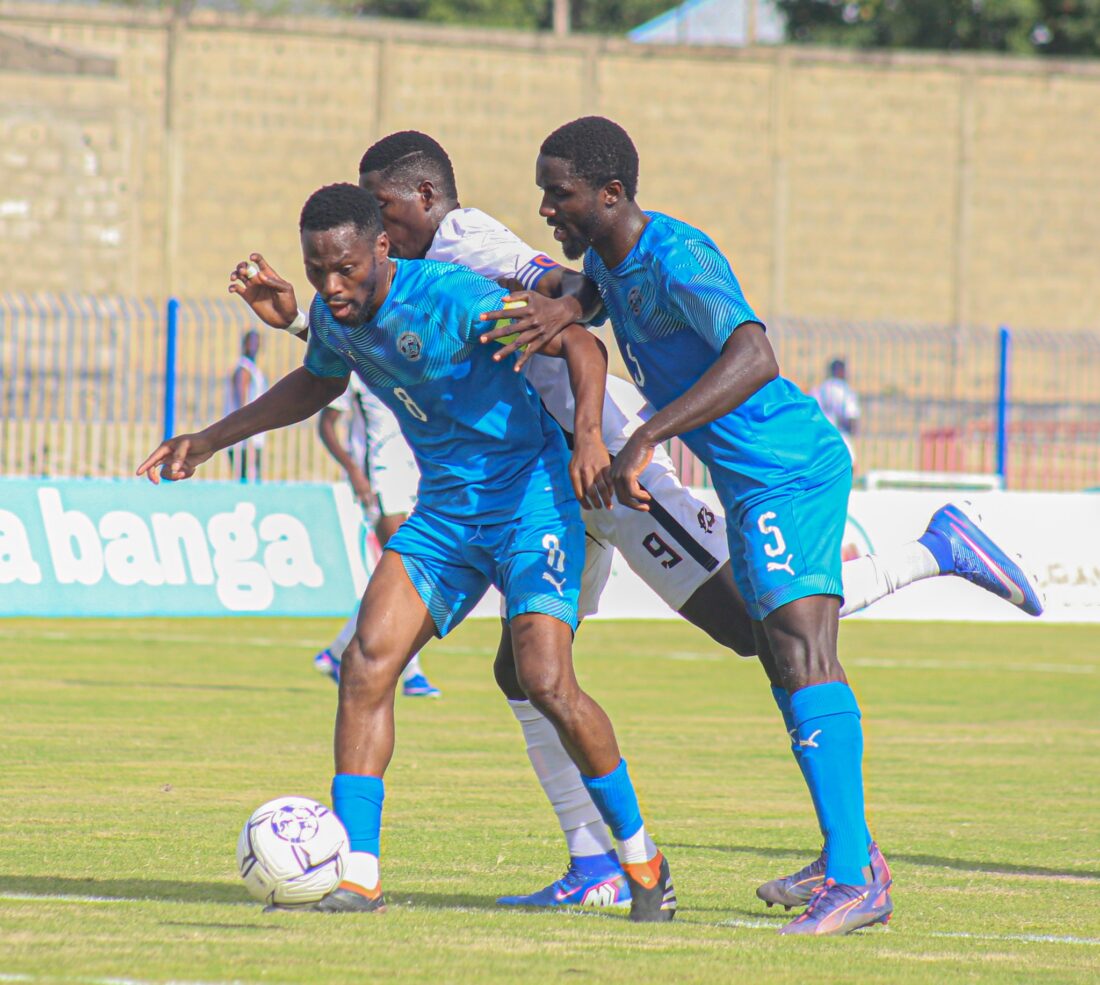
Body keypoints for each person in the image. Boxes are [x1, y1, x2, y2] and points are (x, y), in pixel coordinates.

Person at [234, 130, 1043, 915]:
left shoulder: (466, 239)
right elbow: (413, 335)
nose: (374, 232)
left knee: (759, 628)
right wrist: (307, 325)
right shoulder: (402, 275)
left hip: (608, 467)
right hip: (543, 480)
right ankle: (596, 864)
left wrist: (583, 366)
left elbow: (566, 290)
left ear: (422, 198)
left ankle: (931, 554)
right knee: (524, 672)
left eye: (381, 210)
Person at [513, 115, 1046, 934]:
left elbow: (755, 354)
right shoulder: (612, 264)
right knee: (778, 656)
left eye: (560, 194)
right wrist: (571, 304)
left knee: (804, 653)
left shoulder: (677, 255)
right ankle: (851, 855)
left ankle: (856, 880)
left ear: (611, 193)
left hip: (786, 469)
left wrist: (648, 436)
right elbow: (598, 292)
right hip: (750, 483)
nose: (547, 208)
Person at [140, 182, 677, 922]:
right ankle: (358, 874)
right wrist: (208, 439)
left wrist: (588, 437)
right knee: (366, 663)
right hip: (446, 517)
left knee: (546, 680)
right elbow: (316, 382)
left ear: (383, 249)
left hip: (529, 504)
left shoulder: (453, 296)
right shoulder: (337, 318)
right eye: (318, 270)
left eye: (346, 268)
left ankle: (642, 859)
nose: (332, 286)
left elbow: (582, 344)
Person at [315, 372, 441, 698]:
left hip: (414, 474)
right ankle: (411, 672)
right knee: (407, 571)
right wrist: (354, 472)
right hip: (379, 480)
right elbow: (326, 425)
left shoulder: (409, 360)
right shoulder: (356, 367)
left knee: (400, 575)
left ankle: (337, 651)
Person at [224, 330, 266, 482]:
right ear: (244, 344)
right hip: (244, 440)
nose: (254, 347)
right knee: (246, 480)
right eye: (251, 343)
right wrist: (245, 425)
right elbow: (240, 398)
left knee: (252, 478)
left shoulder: (252, 368)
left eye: (257, 343)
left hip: (252, 436)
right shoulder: (243, 369)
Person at [812, 358, 860, 465]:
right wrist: (853, 431)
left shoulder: (818, 389)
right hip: (840, 438)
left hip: (819, 439)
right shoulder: (844, 390)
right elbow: (851, 415)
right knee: (850, 468)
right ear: (841, 371)